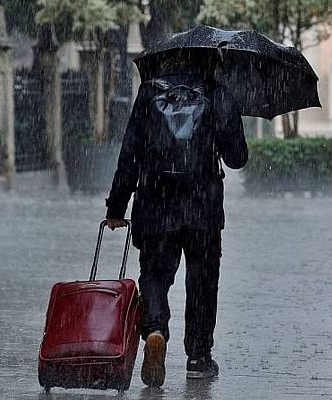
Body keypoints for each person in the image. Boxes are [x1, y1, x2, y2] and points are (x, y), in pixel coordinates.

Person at [104, 53, 247, 387]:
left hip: (156, 202)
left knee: (154, 274)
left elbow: (130, 154)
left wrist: (116, 207)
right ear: (210, 61)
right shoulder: (217, 93)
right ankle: (198, 356)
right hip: (203, 209)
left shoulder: (149, 92)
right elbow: (237, 158)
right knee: (202, 281)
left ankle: (155, 330)